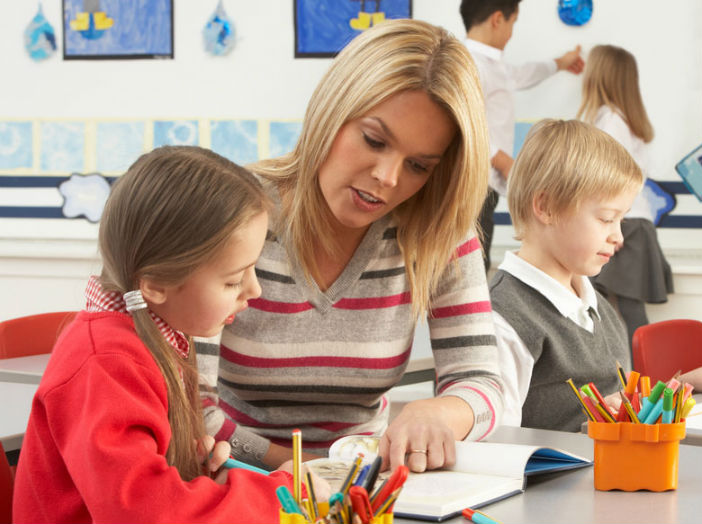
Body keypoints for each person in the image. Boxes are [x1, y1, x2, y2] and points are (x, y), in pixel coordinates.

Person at [197, 19, 503, 475]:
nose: (389, 177)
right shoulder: (229, 210)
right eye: (374, 140)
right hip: (241, 481)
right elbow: (185, 403)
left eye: (419, 165)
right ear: (332, 111)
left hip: (364, 487)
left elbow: (482, 384)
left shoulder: (438, 230)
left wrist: (442, 412)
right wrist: (302, 469)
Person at [13, 146, 329, 522]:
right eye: (232, 281)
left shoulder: (150, 335)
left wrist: (189, 472)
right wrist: (278, 497)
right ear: (155, 284)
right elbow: (142, 512)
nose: (254, 290)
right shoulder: (106, 364)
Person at [490, 119, 702, 431]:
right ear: (545, 207)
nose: (619, 237)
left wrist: (682, 386)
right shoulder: (503, 318)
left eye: (621, 220)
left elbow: (620, 402)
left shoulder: (594, 304)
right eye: (606, 218)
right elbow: (497, 442)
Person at [460, 0, 584, 271]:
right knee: (470, 269)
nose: (512, 32)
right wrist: (504, 161)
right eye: (513, 23)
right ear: (497, 20)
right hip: (473, 188)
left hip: (486, 188)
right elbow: (464, 124)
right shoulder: (469, 64)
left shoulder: (494, 66)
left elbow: (523, 74)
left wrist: (561, 63)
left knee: (478, 264)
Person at [576, 44, 673, 350]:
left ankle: (641, 380)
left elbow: (607, 181)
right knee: (614, 305)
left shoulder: (611, 123)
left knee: (609, 304)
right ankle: (634, 377)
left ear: (600, 76)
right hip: (631, 221)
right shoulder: (619, 120)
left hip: (622, 222)